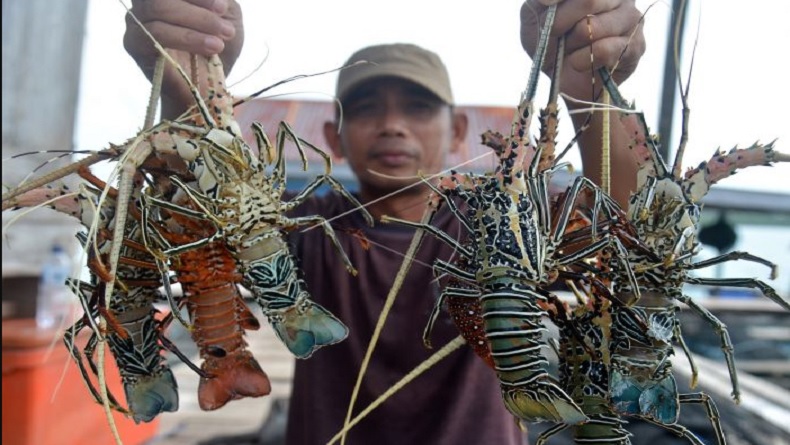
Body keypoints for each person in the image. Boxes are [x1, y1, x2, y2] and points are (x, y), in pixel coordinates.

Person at [124, 1, 646, 443]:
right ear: (333, 138)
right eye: (368, 108)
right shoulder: (303, 225)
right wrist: (188, 79)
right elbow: (202, 214)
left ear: (457, 130)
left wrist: (587, 90)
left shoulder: (500, 225)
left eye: (417, 108)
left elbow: (625, 230)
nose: (394, 125)